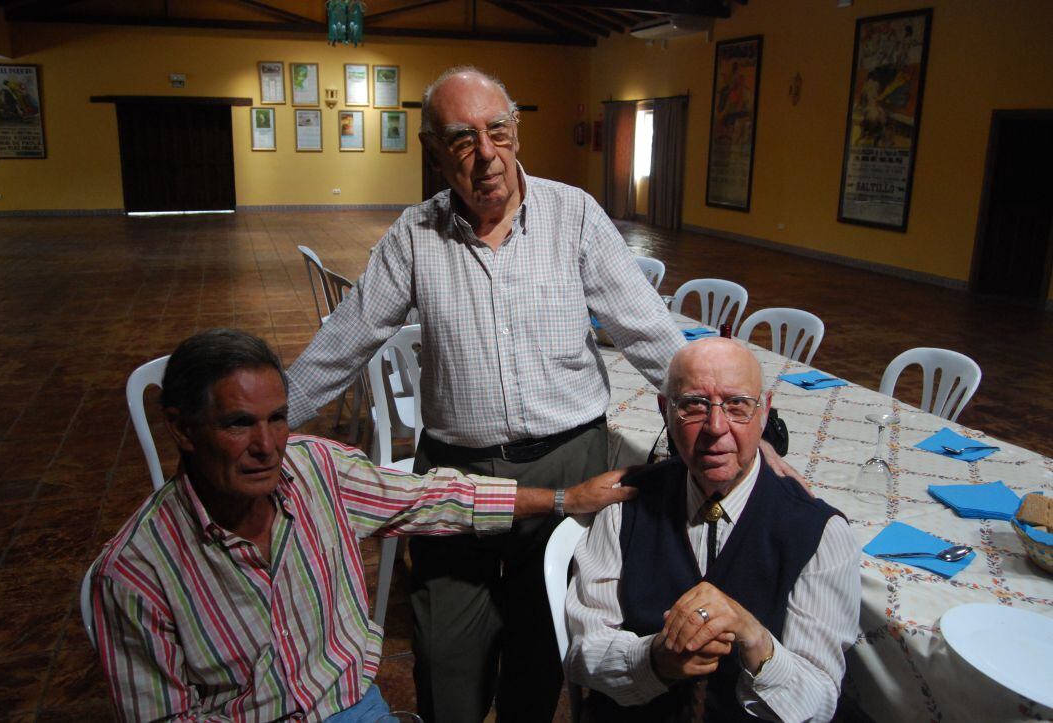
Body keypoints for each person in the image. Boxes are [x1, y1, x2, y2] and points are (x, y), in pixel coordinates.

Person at [285, 66, 686, 722]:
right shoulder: (415, 237)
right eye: (462, 139)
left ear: (517, 133)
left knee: (542, 641)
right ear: (435, 153)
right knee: (445, 644)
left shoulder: (573, 214)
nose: (486, 154)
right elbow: (343, 344)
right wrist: (263, 425)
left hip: (570, 461)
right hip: (454, 472)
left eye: (497, 130)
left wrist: (724, 413)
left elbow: (651, 332)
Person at [89, 329, 635, 722]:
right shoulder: (136, 574)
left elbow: (438, 497)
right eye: (238, 424)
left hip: (353, 705)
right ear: (183, 431)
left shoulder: (318, 469)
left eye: (278, 419)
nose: (266, 446)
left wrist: (563, 497)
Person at [566, 338, 860, 722]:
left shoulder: (820, 533)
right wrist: (655, 658)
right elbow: (583, 654)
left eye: (737, 405)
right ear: (665, 412)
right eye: (693, 405)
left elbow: (818, 703)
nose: (716, 428)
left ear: (764, 411)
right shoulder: (627, 506)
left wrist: (755, 640)